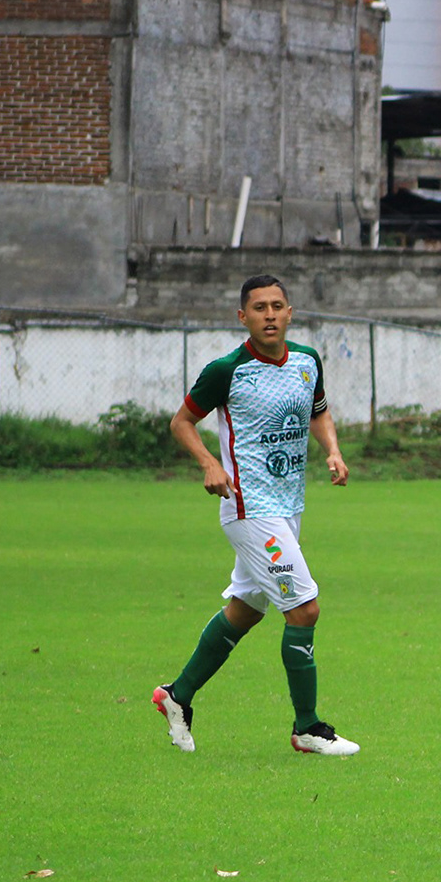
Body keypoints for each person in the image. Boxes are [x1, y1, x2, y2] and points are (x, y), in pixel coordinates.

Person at [151, 275, 358, 756]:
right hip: (248, 507)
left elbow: (319, 411)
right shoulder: (227, 369)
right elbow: (182, 422)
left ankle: (177, 697)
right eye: (259, 307)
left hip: (289, 507)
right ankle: (307, 728)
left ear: (290, 313)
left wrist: (333, 450)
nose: (270, 314)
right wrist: (209, 463)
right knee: (304, 608)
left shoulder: (307, 361)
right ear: (242, 317)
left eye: (277, 305)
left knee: (245, 609)